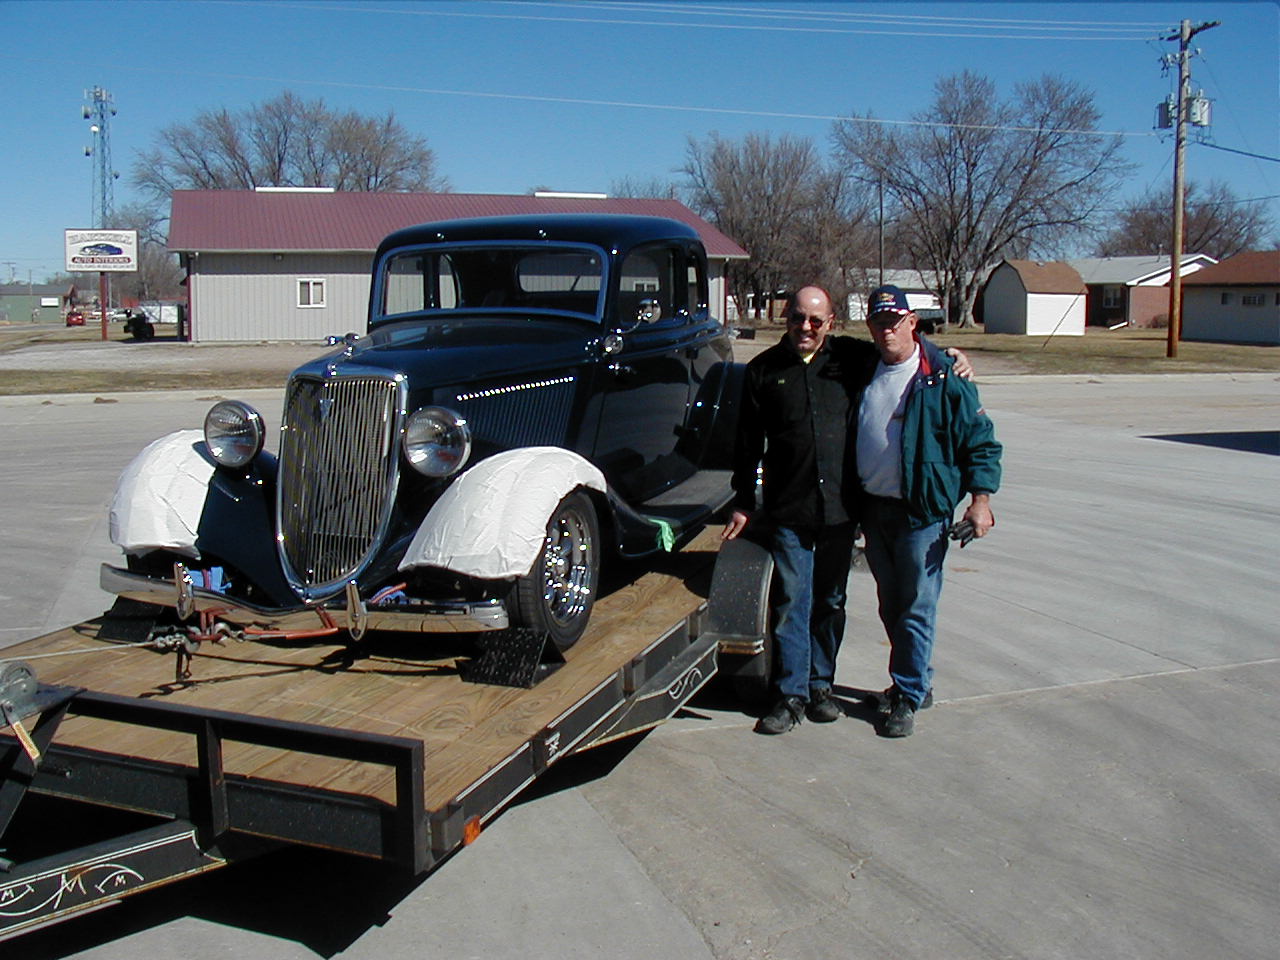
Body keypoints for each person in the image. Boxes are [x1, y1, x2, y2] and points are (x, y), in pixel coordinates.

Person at [723, 286, 971, 735]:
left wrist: (951, 355)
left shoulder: (852, 360)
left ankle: (821, 687)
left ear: (831, 322)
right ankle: (791, 695)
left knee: (831, 601)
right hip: (789, 509)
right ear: (786, 317)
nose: (806, 327)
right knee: (792, 603)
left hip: (841, 511)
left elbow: (905, 348)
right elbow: (746, 446)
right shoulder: (762, 371)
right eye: (798, 317)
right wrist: (743, 503)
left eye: (816, 321)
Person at [852, 284, 1002, 738]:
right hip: (875, 511)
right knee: (891, 603)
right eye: (879, 322)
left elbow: (982, 443)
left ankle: (908, 695)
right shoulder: (861, 369)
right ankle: (916, 680)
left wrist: (981, 502)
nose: (887, 330)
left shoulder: (942, 375)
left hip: (923, 512)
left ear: (912, 322)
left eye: (895, 321)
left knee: (917, 605)